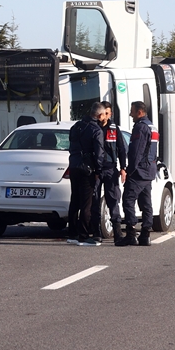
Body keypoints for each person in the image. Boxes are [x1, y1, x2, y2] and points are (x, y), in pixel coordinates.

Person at [67, 102, 106, 247]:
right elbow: (99, 153)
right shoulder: (96, 130)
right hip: (87, 169)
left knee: (75, 200)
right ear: (100, 115)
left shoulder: (76, 126)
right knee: (86, 203)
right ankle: (83, 236)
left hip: (74, 165)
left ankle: (72, 233)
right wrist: (98, 170)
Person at [122, 101, 157, 246]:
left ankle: (131, 232)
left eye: (132, 111)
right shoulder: (151, 126)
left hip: (139, 171)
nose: (130, 114)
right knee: (146, 203)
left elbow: (137, 151)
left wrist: (130, 170)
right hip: (149, 170)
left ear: (140, 112)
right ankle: (145, 234)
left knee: (128, 200)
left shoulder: (141, 127)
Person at [97, 101, 129, 246]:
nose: (107, 116)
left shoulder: (114, 129)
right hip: (96, 170)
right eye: (106, 113)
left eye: (109, 113)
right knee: (95, 200)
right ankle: (96, 233)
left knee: (113, 200)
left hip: (110, 169)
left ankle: (117, 234)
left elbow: (122, 149)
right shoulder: (93, 127)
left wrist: (123, 168)